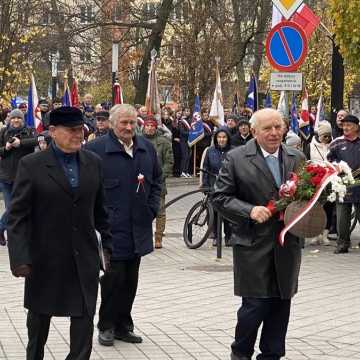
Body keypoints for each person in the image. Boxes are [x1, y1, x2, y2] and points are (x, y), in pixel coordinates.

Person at [7, 106, 112, 360]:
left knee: (84, 328)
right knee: (38, 328)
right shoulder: (31, 165)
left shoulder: (93, 163)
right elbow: (18, 216)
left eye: (81, 130)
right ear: (52, 131)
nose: (78, 135)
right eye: (71, 130)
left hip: (83, 261)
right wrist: (20, 258)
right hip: (45, 261)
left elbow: (101, 212)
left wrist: (107, 249)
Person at [212, 108, 305, 360]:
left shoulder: (297, 157)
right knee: (254, 306)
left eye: (278, 127)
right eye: (268, 128)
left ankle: (272, 355)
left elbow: (308, 196)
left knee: (280, 304)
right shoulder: (236, 158)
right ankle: (240, 353)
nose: (274, 133)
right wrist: (249, 210)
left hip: (287, 245)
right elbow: (219, 197)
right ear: (254, 131)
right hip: (253, 244)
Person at [85, 104, 162, 347]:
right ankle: (106, 325)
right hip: (109, 231)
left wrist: (151, 209)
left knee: (130, 280)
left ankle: (123, 325)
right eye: (124, 123)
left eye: (133, 123)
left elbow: (158, 182)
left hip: (137, 228)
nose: (129, 127)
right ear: (111, 123)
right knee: (111, 280)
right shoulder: (96, 150)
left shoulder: (146, 149)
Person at [0, 109, 37, 245]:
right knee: (11, 208)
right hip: (5, 177)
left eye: (19, 118)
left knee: (16, 207)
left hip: (22, 176)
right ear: (10, 119)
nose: (16, 120)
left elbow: (37, 141)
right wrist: (7, 147)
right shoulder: (3, 132)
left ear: (23, 119)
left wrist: (20, 143)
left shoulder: (29, 130)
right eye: (14, 118)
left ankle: (7, 231)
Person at [327, 114, 360, 254]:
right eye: (344, 125)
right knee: (342, 217)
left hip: (359, 184)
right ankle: (342, 243)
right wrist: (336, 167)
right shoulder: (336, 143)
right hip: (342, 185)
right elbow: (328, 161)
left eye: (349, 125)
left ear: (357, 127)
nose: (345, 127)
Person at [142, 115, 173, 249]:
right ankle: (145, 236)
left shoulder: (163, 142)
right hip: (141, 182)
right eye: (147, 126)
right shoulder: (138, 140)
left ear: (156, 128)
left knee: (160, 211)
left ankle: (158, 237)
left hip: (158, 182)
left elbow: (169, 162)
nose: (149, 128)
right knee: (142, 210)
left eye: (152, 126)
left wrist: (160, 176)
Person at [202, 127, 232, 246]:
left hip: (228, 186)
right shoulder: (210, 151)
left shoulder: (233, 151)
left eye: (224, 137)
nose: (221, 139)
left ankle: (229, 236)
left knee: (228, 213)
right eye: (219, 137)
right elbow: (205, 168)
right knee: (214, 212)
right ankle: (216, 235)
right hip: (213, 185)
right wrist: (205, 185)